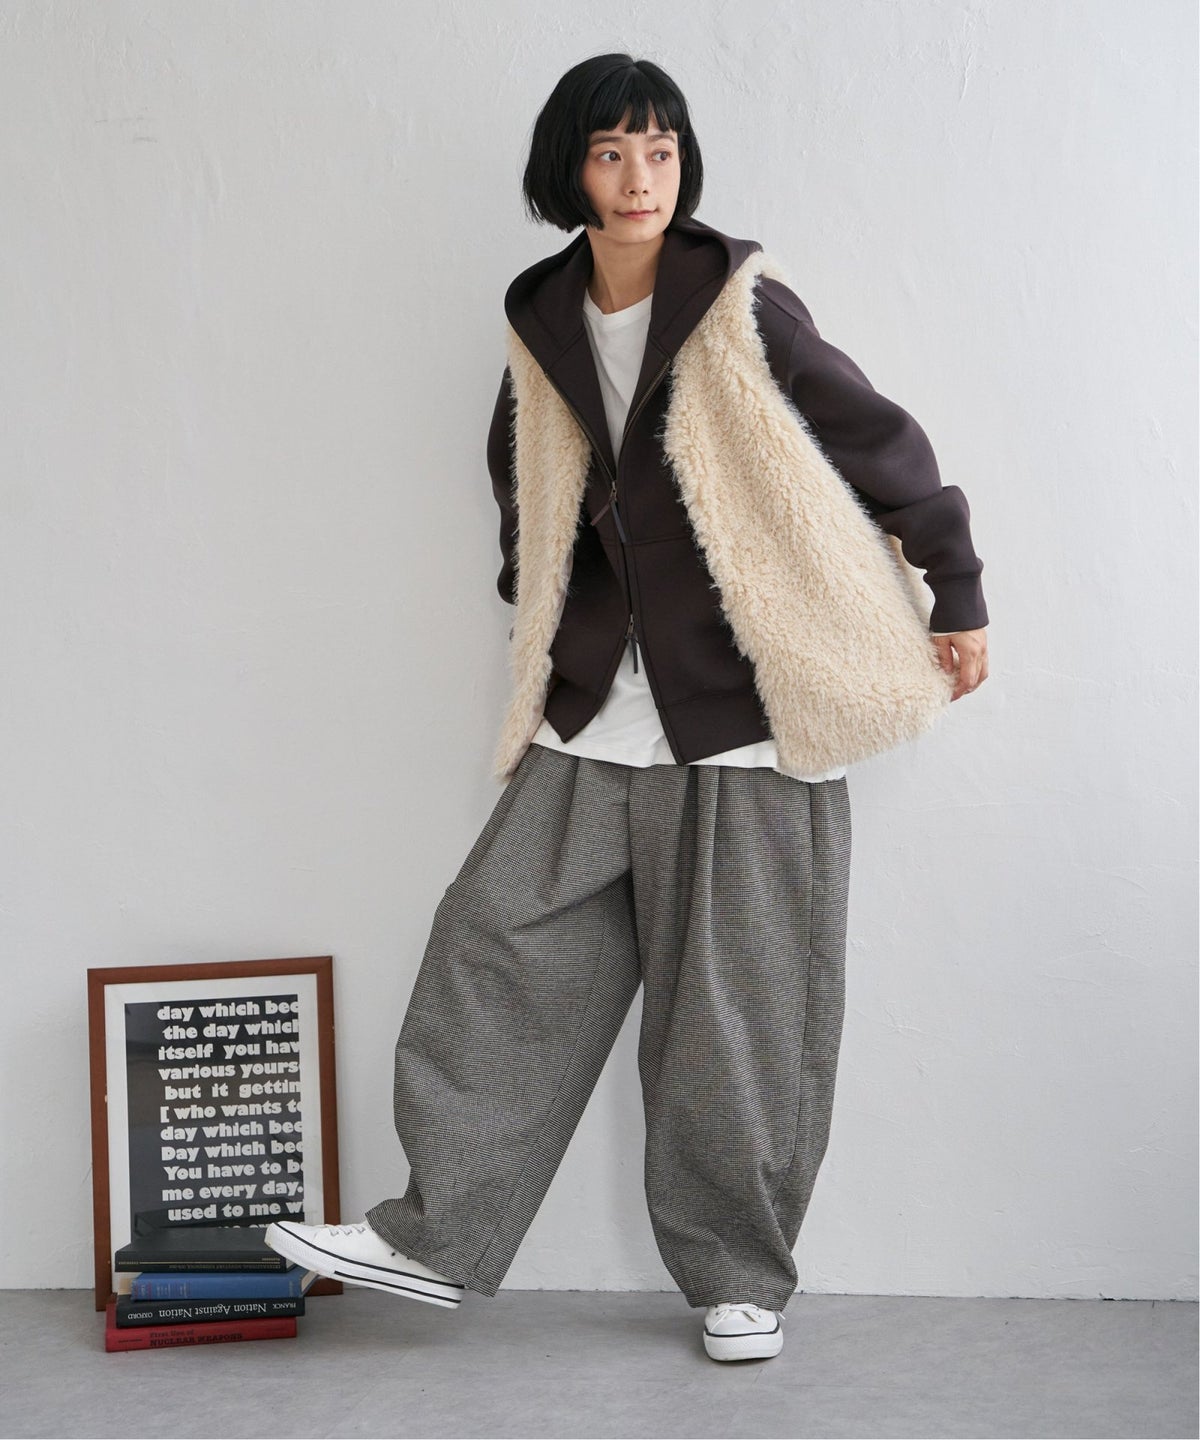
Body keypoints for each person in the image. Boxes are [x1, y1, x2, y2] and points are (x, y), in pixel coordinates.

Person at [266, 52, 990, 1365]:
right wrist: (540, 600)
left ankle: (740, 1279)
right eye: (612, 152)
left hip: (751, 709)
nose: (640, 177)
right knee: (495, 940)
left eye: (660, 151)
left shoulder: (740, 301)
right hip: (603, 703)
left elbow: (880, 440)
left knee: (737, 1009)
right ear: (572, 171)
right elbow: (525, 474)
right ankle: (435, 1233)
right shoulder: (543, 314)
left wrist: (960, 590)